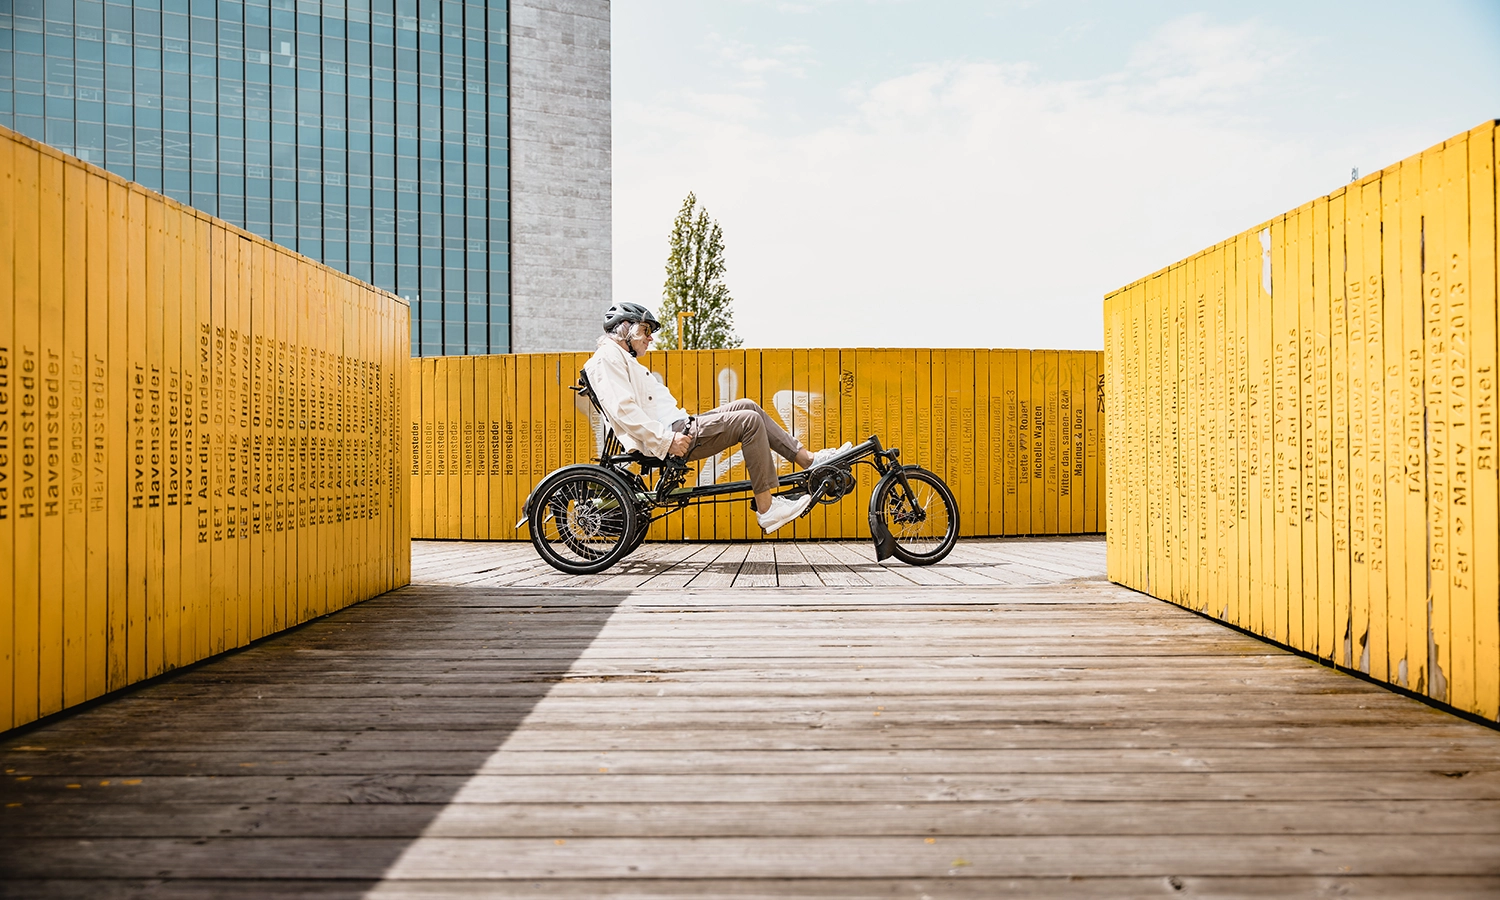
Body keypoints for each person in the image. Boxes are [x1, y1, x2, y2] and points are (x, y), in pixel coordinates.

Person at [583, 302, 851, 534]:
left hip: (679, 425)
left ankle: (809, 460)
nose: (650, 338)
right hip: (674, 434)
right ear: (625, 328)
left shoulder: (619, 358)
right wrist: (666, 440)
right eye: (645, 330)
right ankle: (767, 508)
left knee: (747, 406)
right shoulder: (608, 359)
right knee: (748, 421)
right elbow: (623, 410)